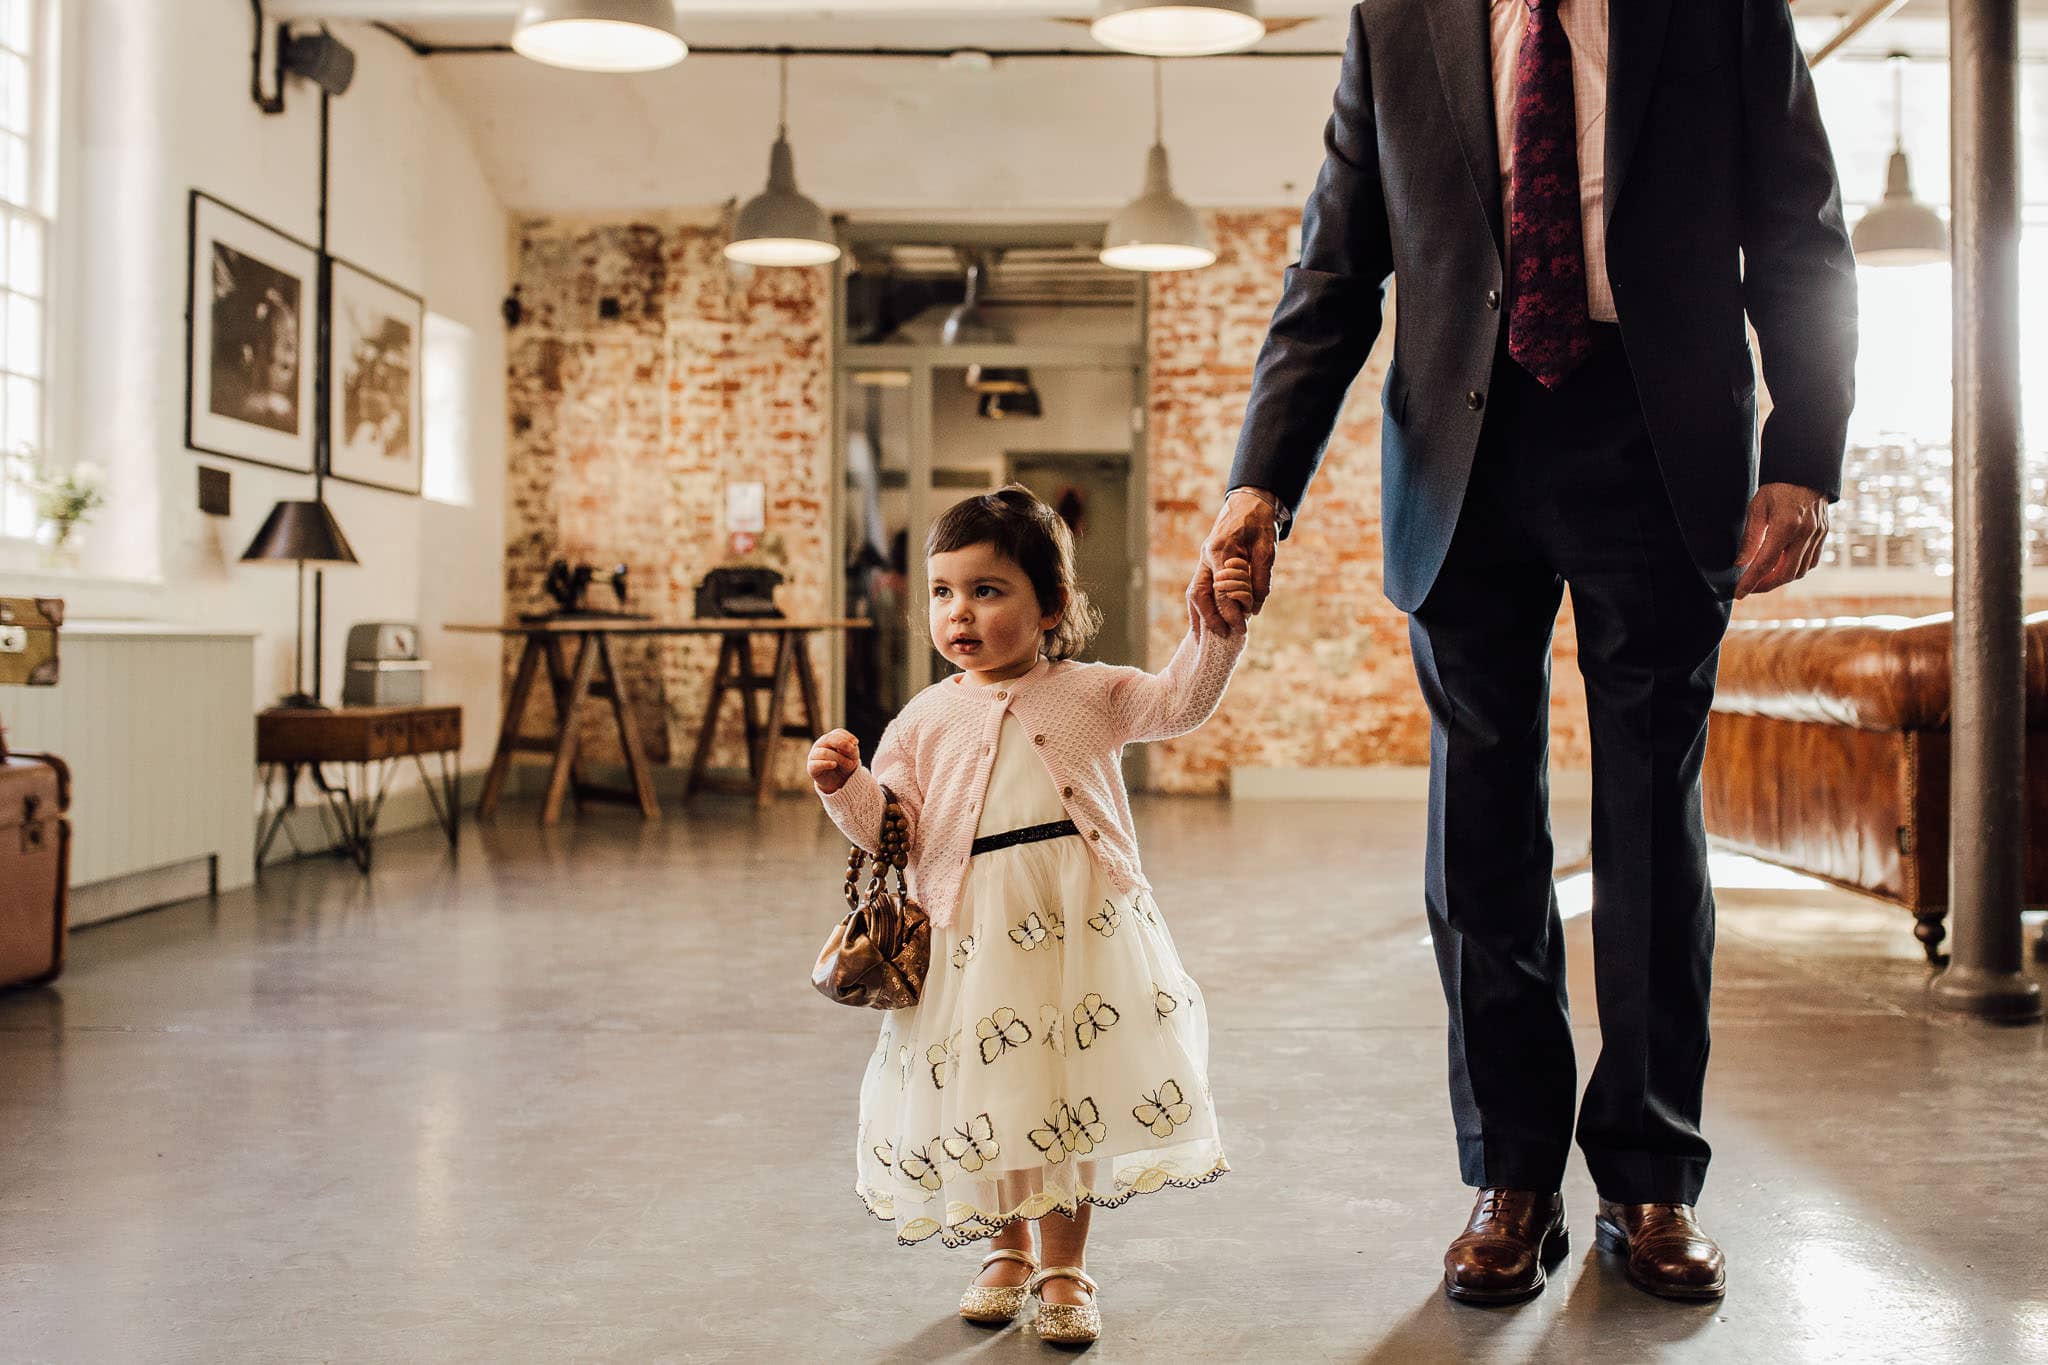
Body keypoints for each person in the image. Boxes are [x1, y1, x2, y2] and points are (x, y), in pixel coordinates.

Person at [1195, 0, 1857, 1306]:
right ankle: (1511, 1175)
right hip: (1465, 450)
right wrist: (1259, 482)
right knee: (1480, 835)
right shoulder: (1398, 21)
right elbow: (1336, 265)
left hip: (1659, 441)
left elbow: (1800, 233)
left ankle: (1651, 1180)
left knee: (1652, 830)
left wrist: (1805, 455)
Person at [811, 486, 1254, 1344]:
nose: (960, 613)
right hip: (973, 933)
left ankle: (1065, 1263)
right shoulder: (924, 717)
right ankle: (1005, 1249)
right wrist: (845, 787)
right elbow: (889, 831)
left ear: (1051, 604)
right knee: (996, 1091)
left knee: (1067, 1090)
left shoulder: (1090, 691)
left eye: (987, 589)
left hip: (1078, 924)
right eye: (943, 591)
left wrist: (1218, 630)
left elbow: (1180, 701)